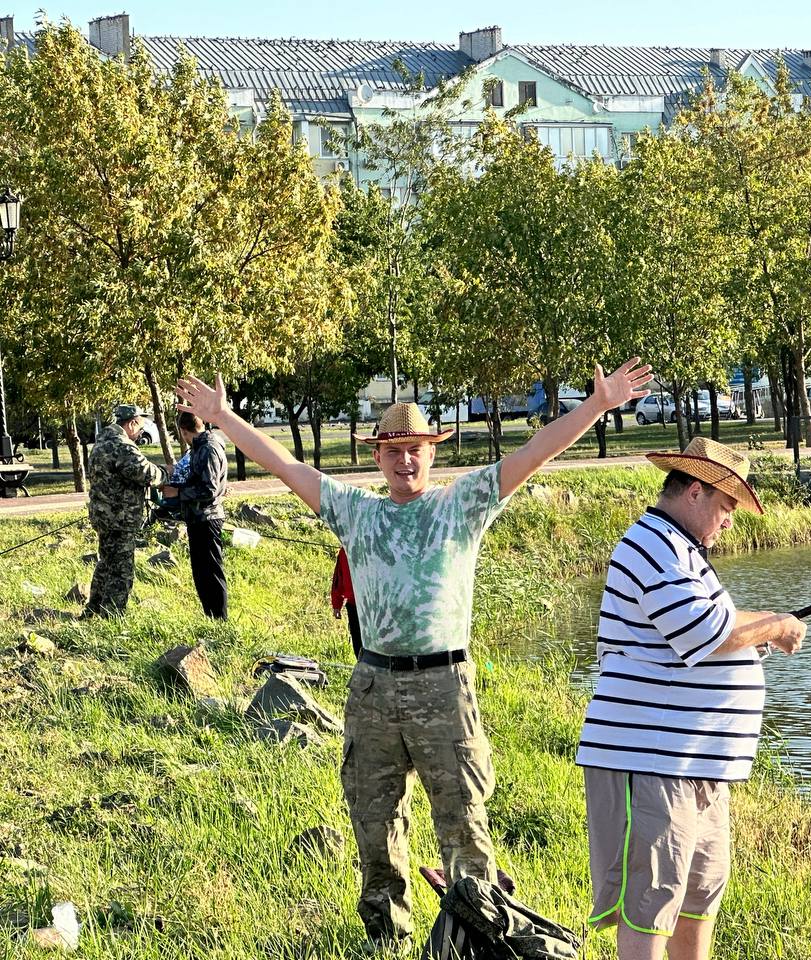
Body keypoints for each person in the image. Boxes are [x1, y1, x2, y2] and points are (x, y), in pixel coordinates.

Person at [174, 359, 652, 947]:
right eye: (394, 450)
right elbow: (286, 464)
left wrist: (596, 406)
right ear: (377, 456)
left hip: (443, 688)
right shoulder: (356, 512)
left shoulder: (463, 505)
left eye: (416, 449)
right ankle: (386, 938)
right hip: (373, 689)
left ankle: (477, 940)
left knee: (465, 828)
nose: (405, 461)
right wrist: (223, 417)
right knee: (374, 827)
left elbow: (535, 454)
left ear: (432, 453)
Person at [576, 436, 807, 960]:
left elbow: (718, 627)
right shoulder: (651, 544)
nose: (729, 521)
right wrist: (774, 626)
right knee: (651, 900)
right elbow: (705, 632)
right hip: (653, 760)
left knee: (699, 896)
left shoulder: (682, 551)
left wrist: (766, 628)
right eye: (727, 507)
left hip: (698, 764)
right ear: (697, 491)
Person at [84, 405, 168, 618]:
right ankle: (112, 616)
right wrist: (166, 474)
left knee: (106, 562)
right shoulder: (122, 446)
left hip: (103, 516)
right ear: (131, 423)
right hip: (120, 518)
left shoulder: (101, 443)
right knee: (121, 570)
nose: (142, 431)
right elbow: (146, 474)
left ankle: (93, 609)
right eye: (141, 424)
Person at [167, 411, 229, 619]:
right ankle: (210, 616)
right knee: (201, 573)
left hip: (207, 517)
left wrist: (179, 492)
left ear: (183, 431)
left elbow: (209, 489)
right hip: (197, 517)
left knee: (211, 572)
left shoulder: (208, 448)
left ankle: (220, 619)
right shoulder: (201, 447)